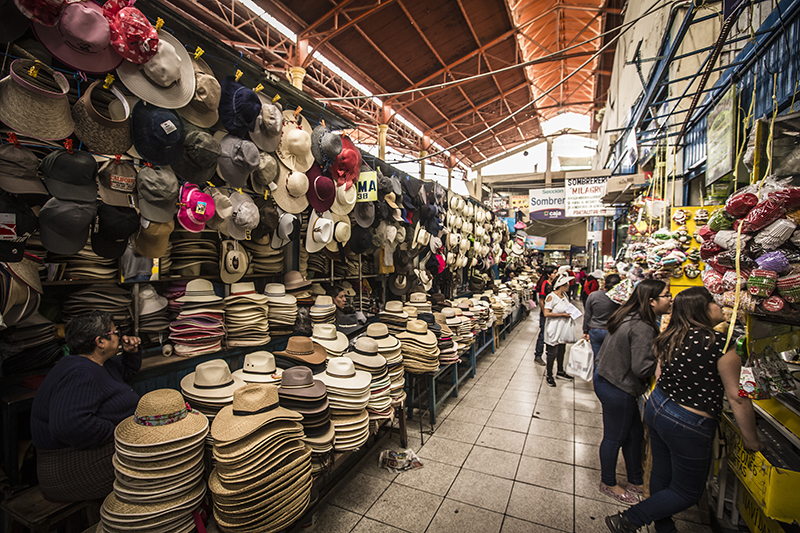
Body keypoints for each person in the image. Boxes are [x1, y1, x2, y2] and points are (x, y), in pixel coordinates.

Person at [606, 287, 763, 532]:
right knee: (688, 491)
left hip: (657, 407)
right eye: (713, 302)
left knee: (661, 472)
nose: (719, 306)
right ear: (700, 308)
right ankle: (631, 518)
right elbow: (738, 398)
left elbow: (657, 371)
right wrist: (752, 439)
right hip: (688, 420)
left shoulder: (669, 336)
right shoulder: (721, 345)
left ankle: (664, 526)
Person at [31, 311, 142, 501]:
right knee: (158, 466)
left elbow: (125, 372)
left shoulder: (99, 364)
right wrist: (119, 431)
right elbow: (70, 425)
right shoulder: (81, 372)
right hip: (71, 469)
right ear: (100, 342)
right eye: (116, 332)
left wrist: (131, 353)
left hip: (82, 459)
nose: (120, 335)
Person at [594, 279, 671, 505]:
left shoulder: (629, 315)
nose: (670, 299)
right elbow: (641, 367)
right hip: (617, 385)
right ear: (651, 300)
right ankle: (608, 481)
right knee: (615, 436)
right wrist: (662, 362)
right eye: (666, 295)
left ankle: (635, 478)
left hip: (609, 378)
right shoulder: (642, 326)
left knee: (633, 433)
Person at [542, 273, 575, 387]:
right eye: (566, 284)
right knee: (552, 353)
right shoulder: (551, 297)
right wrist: (562, 315)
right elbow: (546, 313)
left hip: (563, 328)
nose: (568, 286)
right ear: (561, 285)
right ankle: (549, 375)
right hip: (554, 328)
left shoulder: (564, 295)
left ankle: (560, 371)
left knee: (561, 350)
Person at [582, 273, 621, 359]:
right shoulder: (620, 299)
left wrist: (585, 331)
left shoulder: (593, 295)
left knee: (597, 359)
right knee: (609, 359)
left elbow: (587, 315)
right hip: (612, 331)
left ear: (604, 283)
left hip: (595, 330)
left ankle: (596, 372)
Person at [534, 265, 558, 365]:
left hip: (552, 313)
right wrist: (545, 312)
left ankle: (550, 354)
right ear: (548, 274)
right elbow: (541, 300)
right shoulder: (544, 284)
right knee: (543, 334)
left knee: (551, 333)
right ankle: (538, 355)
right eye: (554, 273)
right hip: (546, 314)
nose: (556, 275)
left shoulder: (554, 284)